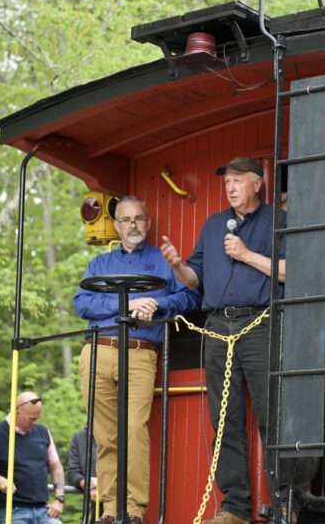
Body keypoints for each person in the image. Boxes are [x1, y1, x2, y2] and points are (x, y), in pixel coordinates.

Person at [160, 156, 289, 524]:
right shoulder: (213, 224)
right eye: (226, 182)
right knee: (224, 418)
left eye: (236, 180)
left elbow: (295, 271)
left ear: (257, 184)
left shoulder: (278, 221)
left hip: (260, 324)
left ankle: (285, 501)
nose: (230, 187)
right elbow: (194, 279)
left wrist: (247, 255)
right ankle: (235, 506)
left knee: (272, 415)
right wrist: (175, 266)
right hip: (217, 327)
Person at [74, 195, 201, 524]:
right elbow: (82, 303)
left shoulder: (164, 261)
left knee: (133, 429)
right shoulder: (99, 265)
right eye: (127, 220)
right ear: (116, 226)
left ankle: (132, 511)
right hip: (97, 350)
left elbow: (191, 296)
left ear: (147, 223)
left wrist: (157, 306)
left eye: (140, 219)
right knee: (104, 435)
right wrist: (128, 306)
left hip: (141, 352)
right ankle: (109, 510)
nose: (134, 225)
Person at [0, 392, 65, 524]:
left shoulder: (43, 431)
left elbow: (56, 467)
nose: (36, 423)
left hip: (44, 510)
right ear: (17, 412)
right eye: (32, 419)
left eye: (38, 418)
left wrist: (59, 499)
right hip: (13, 511)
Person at [68, 427, 98, 520]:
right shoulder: (80, 437)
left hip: (126, 510)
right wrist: (88, 484)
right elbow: (72, 474)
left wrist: (103, 485)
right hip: (97, 511)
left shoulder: (123, 433)